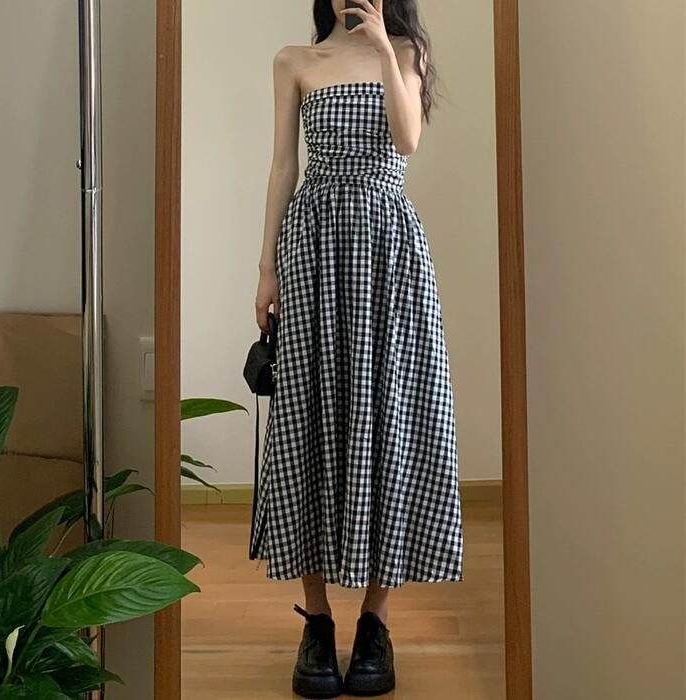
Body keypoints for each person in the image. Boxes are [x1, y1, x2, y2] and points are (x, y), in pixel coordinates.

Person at [253, 0, 463, 696]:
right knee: (308, 420)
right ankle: (316, 622)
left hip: (389, 251)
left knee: (389, 420)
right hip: (313, 247)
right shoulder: (295, 61)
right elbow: (284, 166)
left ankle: (376, 620)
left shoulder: (405, 53)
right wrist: (266, 267)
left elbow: (408, 139)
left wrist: (382, 45)